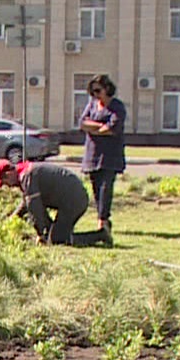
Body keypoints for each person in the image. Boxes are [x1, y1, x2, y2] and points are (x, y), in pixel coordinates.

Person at [0, 160, 109, 247]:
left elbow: (34, 207)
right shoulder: (25, 173)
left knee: (57, 240)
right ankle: (54, 232)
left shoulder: (27, 175)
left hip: (74, 200)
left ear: (9, 174)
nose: (8, 186)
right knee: (53, 234)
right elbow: (26, 203)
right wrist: (12, 219)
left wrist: (40, 233)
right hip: (69, 199)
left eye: (5, 183)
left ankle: (101, 235)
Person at [77, 74, 126, 238]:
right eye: (92, 92)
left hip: (110, 155)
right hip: (92, 153)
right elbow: (83, 123)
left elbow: (113, 128)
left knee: (106, 188)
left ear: (107, 89)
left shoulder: (117, 106)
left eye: (98, 90)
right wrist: (101, 126)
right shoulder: (92, 104)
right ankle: (103, 218)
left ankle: (103, 220)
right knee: (96, 188)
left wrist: (96, 128)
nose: (95, 95)